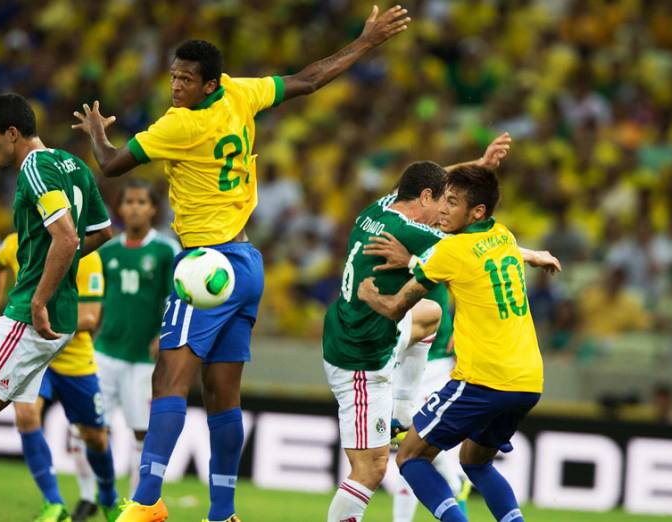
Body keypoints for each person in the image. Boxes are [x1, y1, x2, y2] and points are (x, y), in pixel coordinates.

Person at [73, 7, 412, 521]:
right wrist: (365, 42)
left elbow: (112, 164)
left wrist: (97, 133)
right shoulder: (240, 92)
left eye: (186, 80)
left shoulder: (180, 124)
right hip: (246, 263)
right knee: (222, 395)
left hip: (205, 265)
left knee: (167, 380)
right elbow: (308, 79)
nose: (176, 88)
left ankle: (145, 503)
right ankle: (224, 513)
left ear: (209, 83)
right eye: (173, 77)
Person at [0, 93, 113, 522]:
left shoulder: (34, 167)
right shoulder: (74, 165)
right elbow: (100, 234)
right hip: (57, 318)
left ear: (13, 133)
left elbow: (67, 237)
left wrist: (40, 293)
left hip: (29, 316)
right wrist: (57, 271)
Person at [325, 134, 518, 522]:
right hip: (362, 357)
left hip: (354, 329)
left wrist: (479, 164)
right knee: (371, 470)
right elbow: (474, 256)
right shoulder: (417, 233)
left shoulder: (378, 208)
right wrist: (526, 254)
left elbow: (424, 181)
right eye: (442, 201)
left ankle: (401, 406)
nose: (445, 211)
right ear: (426, 197)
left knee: (430, 312)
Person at [357, 165, 560, 522]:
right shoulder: (503, 235)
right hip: (528, 381)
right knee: (474, 463)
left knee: (410, 457)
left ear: (476, 212)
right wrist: (534, 254)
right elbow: (465, 257)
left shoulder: (452, 253)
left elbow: (395, 307)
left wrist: (368, 295)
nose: (442, 209)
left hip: (483, 380)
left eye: (451, 202)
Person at [0, 232, 118, 522]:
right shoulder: (18, 242)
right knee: (26, 415)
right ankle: (54, 503)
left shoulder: (86, 255)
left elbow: (92, 317)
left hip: (73, 356)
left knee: (95, 438)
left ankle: (108, 496)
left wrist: (45, 319)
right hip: (33, 354)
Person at [95, 179, 180, 497]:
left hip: (145, 357)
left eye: (141, 202)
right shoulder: (107, 251)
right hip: (105, 350)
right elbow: (95, 296)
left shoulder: (165, 250)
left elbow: (178, 297)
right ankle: (97, 496)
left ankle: (135, 501)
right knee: (93, 430)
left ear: (153, 209)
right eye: (128, 201)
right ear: (119, 208)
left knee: (141, 432)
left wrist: (164, 334)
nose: (134, 207)